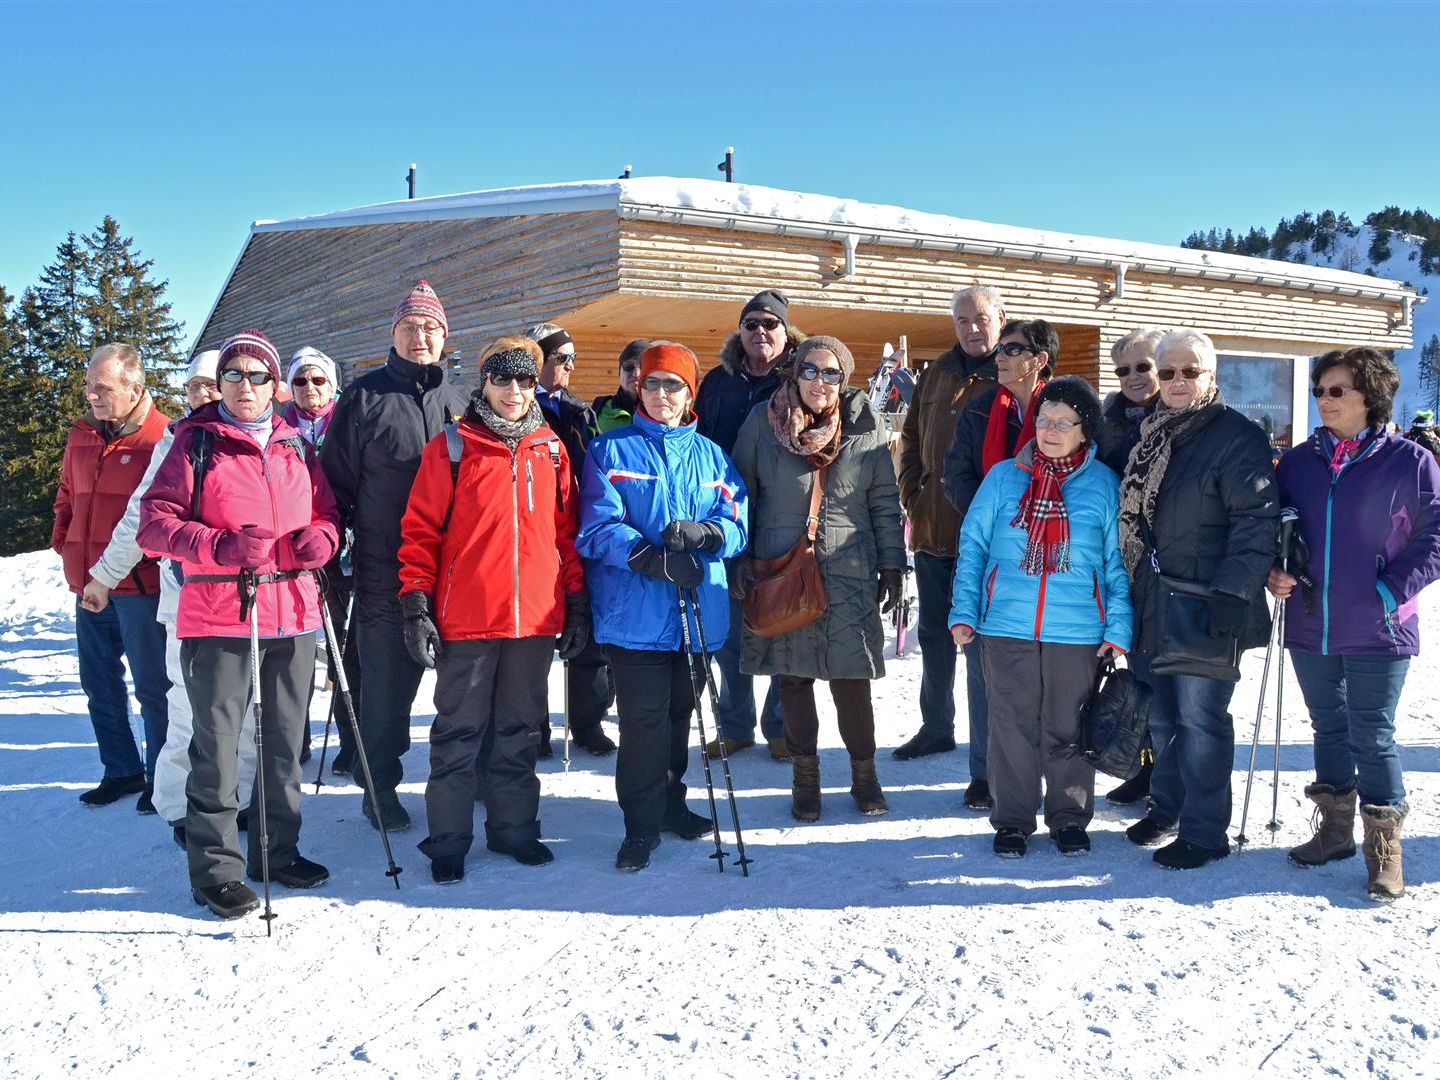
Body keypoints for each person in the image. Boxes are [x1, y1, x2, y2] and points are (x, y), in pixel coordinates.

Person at [138, 329, 340, 919]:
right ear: (219, 381)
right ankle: (216, 872)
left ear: (275, 386)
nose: (245, 385)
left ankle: (279, 851)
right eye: (234, 374)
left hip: (293, 612)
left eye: (257, 376)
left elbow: (327, 513)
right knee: (218, 747)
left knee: (283, 743)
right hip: (220, 616)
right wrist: (220, 546)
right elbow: (154, 525)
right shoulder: (195, 443)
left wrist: (324, 539)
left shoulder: (295, 445)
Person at [397, 336, 589, 884]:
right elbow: (420, 532)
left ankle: (514, 830)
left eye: (524, 380)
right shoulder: (453, 447)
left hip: (534, 620)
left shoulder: (552, 450)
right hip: (468, 618)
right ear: (483, 383)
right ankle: (449, 841)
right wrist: (416, 604)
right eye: (502, 378)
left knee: (520, 731)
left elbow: (565, 534)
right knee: (458, 734)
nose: (514, 391)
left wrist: (576, 601)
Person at [1270, 348, 1440, 901]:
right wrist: (1275, 570)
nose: (1325, 399)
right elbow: (1273, 529)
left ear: (1370, 395)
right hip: (1311, 619)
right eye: (1320, 390)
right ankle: (1336, 832)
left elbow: (1434, 535)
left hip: (1380, 624)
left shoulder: (1410, 460)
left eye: (1337, 390)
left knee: (1372, 732)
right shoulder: (1298, 462)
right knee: (1328, 726)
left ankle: (1384, 849)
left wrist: (1390, 591)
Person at [577, 342, 749, 871]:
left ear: (689, 393)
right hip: (635, 615)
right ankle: (640, 823)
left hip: (697, 613)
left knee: (679, 715)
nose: (661, 394)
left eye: (673, 385)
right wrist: (649, 557)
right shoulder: (610, 451)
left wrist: (707, 534)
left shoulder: (713, 456)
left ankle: (672, 803)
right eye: (651, 383)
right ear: (639, 388)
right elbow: (596, 526)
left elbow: (738, 523)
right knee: (643, 722)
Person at [949, 376, 1133, 857]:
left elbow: (1118, 563)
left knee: (1068, 725)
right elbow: (973, 547)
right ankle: (1012, 820)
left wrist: (1118, 626)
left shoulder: (1103, 485)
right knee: (1010, 725)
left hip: (1078, 629)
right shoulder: (1003, 478)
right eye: (1043, 420)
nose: (1049, 431)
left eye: (1062, 423)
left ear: (1084, 429)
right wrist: (964, 610)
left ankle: (1069, 817)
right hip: (1005, 624)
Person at [1119, 329, 1278, 870]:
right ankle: (1167, 807)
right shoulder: (1152, 434)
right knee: (1162, 717)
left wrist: (1234, 591)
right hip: (1153, 598)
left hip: (1207, 604)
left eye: (1190, 371)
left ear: (1211, 375)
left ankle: (1206, 832)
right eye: (1167, 372)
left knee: (1200, 720)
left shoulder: (1237, 436)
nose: (1178, 381)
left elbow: (1255, 521)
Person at [731, 336, 905, 821]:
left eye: (831, 373)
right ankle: (804, 779)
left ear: (843, 380)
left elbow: (883, 502)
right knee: (794, 679)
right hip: (783, 569)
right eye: (810, 370)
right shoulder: (763, 423)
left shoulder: (865, 428)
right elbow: (739, 494)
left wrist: (893, 563)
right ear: (795, 372)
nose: (819, 382)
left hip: (849, 572)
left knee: (852, 680)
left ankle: (865, 776)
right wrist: (740, 555)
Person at [85, 351, 255, 845]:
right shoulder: (178, 440)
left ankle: (241, 799)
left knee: (245, 709)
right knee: (187, 708)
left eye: (212, 384)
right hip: (189, 597)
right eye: (194, 386)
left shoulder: (260, 439)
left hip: (248, 600)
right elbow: (139, 518)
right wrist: (104, 577)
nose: (203, 393)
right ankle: (182, 807)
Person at [321, 280, 468, 831]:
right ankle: (378, 785)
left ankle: (469, 776)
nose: (420, 337)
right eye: (409, 327)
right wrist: (332, 556)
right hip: (387, 568)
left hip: (458, 569)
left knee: (466, 683)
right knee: (386, 687)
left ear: (444, 336)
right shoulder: (364, 398)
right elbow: (334, 486)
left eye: (430, 327)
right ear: (394, 333)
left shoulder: (462, 402)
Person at [938, 316, 1054, 809]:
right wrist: (998, 520)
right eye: (1000, 349)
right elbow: (956, 475)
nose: (1000, 356)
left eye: (1012, 349)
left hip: (1051, 559)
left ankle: (1041, 771)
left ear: (1039, 360)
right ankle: (985, 774)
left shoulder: (1064, 410)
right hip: (990, 558)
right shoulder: (981, 409)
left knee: (1044, 675)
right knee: (985, 669)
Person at [55, 343, 172, 811]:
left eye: (102, 388)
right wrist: (63, 539)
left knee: (153, 688)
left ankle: (161, 778)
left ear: (135, 387)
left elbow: (158, 515)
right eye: (89, 386)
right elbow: (67, 492)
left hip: (139, 588)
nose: (92, 396)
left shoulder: (161, 437)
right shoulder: (82, 433)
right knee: (99, 683)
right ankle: (120, 769)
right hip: (87, 584)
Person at [894, 285, 1003, 784]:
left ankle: (989, 752)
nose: (972, 328)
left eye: (981, 318)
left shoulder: (1010, 371)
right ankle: (936, 726)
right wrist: (912, 491)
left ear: (1000, 318)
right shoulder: (937, 371)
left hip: (985, 539)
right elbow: (911, 435)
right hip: (932, 528)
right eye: (962, 320)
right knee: (934, 634)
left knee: (980, 647)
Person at [694, 289, 803, 759]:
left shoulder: (799, 379)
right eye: (752, 323)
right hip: (726, 516)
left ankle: (779, 726)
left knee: (781, 624)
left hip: (781, 516)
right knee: (729, 631)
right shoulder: (718, 381)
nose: (760, 331)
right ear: (740, 331)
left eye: (770, 323)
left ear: (786, 332)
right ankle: (735, 725)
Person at [524, 321, 615, 758]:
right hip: (533, 533)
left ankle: (588, 722)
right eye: (562, 358)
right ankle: (534, 727)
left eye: (574, 358)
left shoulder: (579, 410)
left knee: (587, 636)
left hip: (577, 530)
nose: (570, 366)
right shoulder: (518, 406)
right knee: (535, 639)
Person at [1095, 327, 1164, 805]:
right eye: (1123, 370)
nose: (1133, 377)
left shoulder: (1177, 415)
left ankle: (1167, 779)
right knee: (1136, 673)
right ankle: (1145, 766)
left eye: (1143, 366)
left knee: (1163, 680)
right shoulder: (1108, 421)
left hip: (1166, 565)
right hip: (1121, 561)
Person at [281, 345, 355, 772]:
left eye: (318, 379)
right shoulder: (278, 428)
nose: (310, 387)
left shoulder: (348, 421)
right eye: (300, 380)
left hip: (342, 550)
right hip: (291, 553)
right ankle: (295, 738)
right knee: (296, 649)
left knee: (343, 647)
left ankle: (349, 738)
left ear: (332, 384)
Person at [593, 339, 648, 433]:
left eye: (643, 367)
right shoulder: (600, 407)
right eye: (629, 366)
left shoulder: (662, 411)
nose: (636, 373)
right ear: (620, 372)